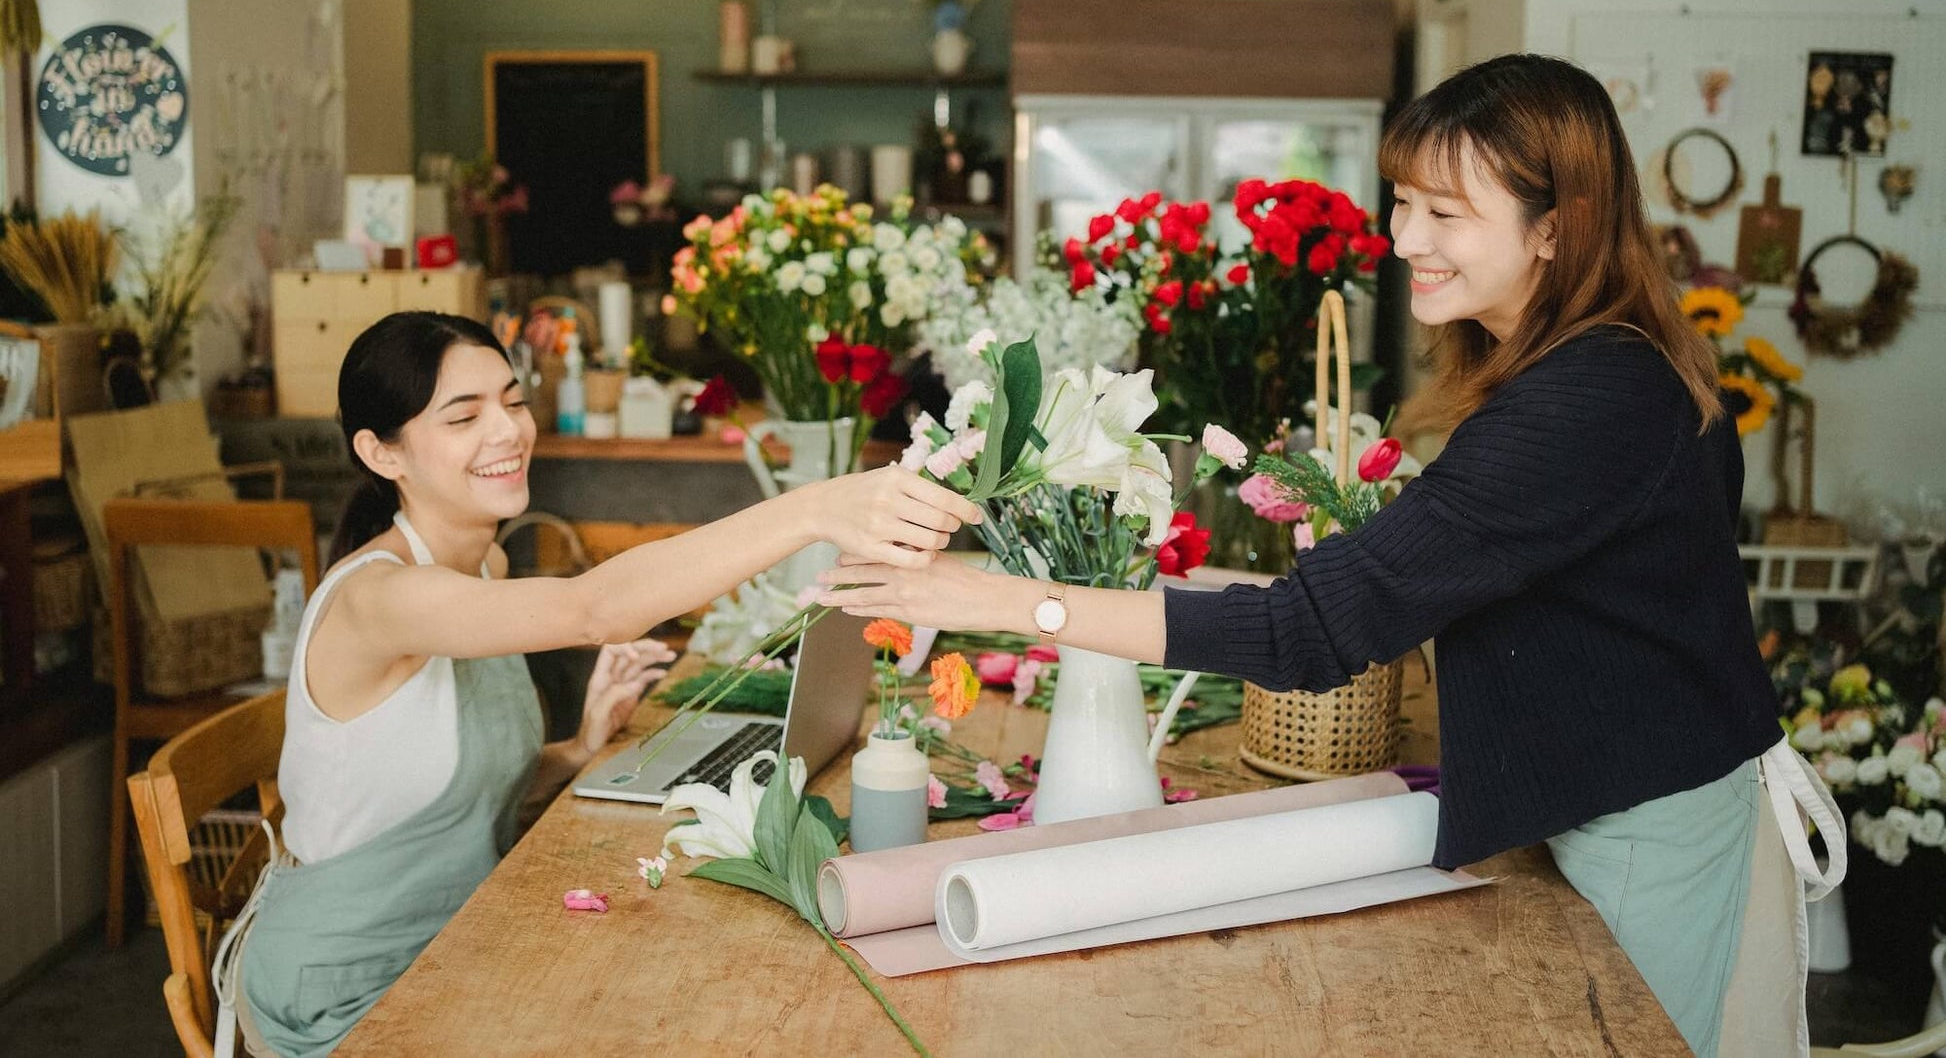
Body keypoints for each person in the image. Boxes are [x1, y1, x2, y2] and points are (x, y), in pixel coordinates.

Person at [817, 54, 1836, 1057]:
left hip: (1654, 825)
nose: (1405, 240)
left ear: (1551, 230)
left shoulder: (1585, 402)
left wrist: (1005, 599)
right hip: (1609, 800)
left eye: (1445, 213)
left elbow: (1307, 632)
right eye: (1401, 204)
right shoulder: (1578, 368)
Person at [225, 311, 979, 1057]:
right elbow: (596, 608)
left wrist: (580, 746)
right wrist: (814, 508)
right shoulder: (377, 599)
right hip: (345, 993)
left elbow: (438, 797)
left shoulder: (482, 567)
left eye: (513, 402)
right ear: (381, 452)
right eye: (464, 415)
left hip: (460, 948)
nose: (506, 432)